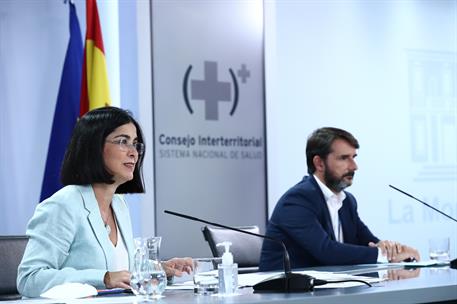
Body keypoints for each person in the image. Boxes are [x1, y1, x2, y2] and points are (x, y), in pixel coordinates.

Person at [17, 107, 192, 298]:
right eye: (123, 142)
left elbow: (120, 266)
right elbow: (29, 278)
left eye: (135, 144)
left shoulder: (118, 204)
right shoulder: (63, 206)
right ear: (94, 146)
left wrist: (161, 268)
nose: (134, 153)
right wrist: (104, 278)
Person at [259, 127, 420, 271]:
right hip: (285, 295)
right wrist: (383, 255)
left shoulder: (347, 202)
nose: (354, 166)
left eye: (354, 157)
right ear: (319, 163)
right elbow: (326, 251)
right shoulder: (297, 201)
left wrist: (391, 250)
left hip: (328, 293)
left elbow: (369, 241)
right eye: (344, 158)